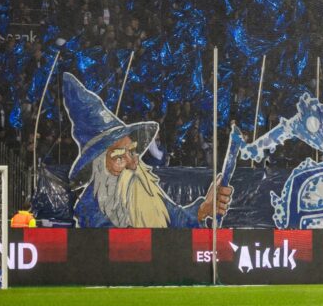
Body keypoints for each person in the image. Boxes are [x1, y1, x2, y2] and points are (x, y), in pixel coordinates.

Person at [62, 73, 232, 228]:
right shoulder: (92, 213)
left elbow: (177, 219)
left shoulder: (147, 194)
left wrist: (204, 209)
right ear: (99, 166)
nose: (133, 163)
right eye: (119, 158)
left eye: (132, 152)